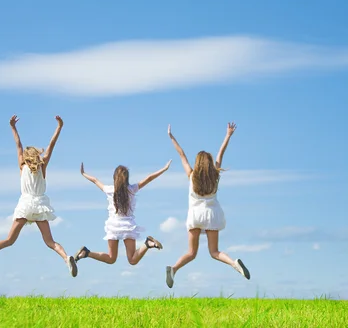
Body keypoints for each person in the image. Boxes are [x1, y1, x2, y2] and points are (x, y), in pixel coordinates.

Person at [0, 115, 78, 277]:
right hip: (40, 203)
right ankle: (66, 258)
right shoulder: (42, 167)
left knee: (9, 240)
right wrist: (59, 127)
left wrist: (13, 127)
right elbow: (51, 146)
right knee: (50, 242)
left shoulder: (22, 166)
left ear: (26, 157)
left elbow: (18, 144)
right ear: (37, 156)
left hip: (25, 204)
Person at [165, 123, 250, 288]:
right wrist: (228, 135)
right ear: (209, 163)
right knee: (214, 252)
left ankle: (174, 269)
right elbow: (221, 153)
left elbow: (181, 154)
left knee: (191, 253)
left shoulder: (191, 176)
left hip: (195, 215)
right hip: (212, 214)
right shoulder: (215, 176)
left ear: (197, 164)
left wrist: (171, 137)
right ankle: (234, 264)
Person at [74, 160, 171, 267]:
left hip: (113, 226)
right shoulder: (131, 189)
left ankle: (87, 253)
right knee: (132, 260)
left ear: (114, 178)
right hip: (127, 226)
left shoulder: (109, 190)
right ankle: (147, 244)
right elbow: (149, 178)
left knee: (111, 259)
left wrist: (84, 174)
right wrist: (164, 169)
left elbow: (95, 180)